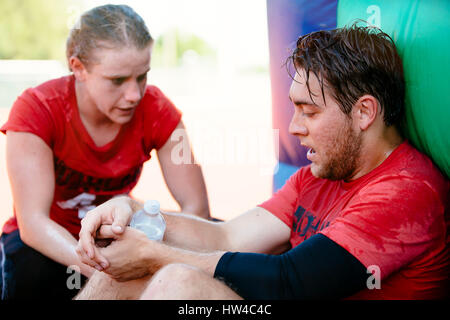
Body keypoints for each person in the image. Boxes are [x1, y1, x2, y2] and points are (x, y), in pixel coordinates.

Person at [75, 24, 449, 300]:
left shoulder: (407, 191)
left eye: (309, 111)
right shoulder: (316, 178)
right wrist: (134, 211)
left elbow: (293, 281)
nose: (294, 127)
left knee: (177, 283)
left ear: (364, 112)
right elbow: (226, 236)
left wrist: (153, 256)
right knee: (122, 273)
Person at [0, 4, 210, 300]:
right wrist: (107, 270)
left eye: (142, 76)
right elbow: (33, 224)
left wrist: (152, 257)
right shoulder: (38, 109)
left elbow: (197, 209)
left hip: (115, 235)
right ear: (78, 68)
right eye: (117, 80)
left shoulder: (158, 109)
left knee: (210, 241)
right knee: (31, 272)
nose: (134, 95)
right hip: (52, 242)